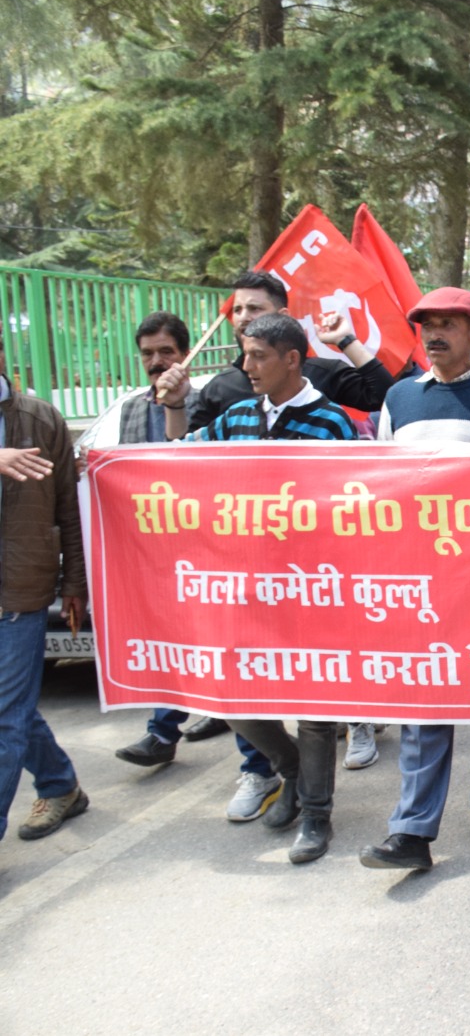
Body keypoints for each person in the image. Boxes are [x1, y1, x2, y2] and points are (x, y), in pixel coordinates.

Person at [155, 313, 358, 864]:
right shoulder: (238, 414)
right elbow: (183, 460)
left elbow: (351, 513)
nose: (246, 367)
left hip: (311, 590)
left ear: (292, 359)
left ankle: (316, 814)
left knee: (316, 710)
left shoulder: (332, 423)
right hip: (245, 590)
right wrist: (175, 405)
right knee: (233, 695)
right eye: (244, 355)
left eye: (258, 355)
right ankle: (288, 772)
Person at [359, 287, 470, 872]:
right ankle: (412, 830)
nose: (435, 335)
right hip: (421, 575)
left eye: (448, 325)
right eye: (427, 326)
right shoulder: (398, 399)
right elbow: (384, 484)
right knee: (424, 693)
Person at [109, 313, 238, 762]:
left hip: (203, 548)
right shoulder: (130, 407)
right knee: (170, 640)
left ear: (185, 354)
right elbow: (123, 472)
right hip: (153, 549)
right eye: (148, 353)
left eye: (166, 352)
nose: (157, 361)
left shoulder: (206, 402)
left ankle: (253, 759)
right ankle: (163, 733)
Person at [0, 342, 90, 844]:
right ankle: (59, 784)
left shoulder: (40, 419)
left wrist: (73, 583)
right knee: (12, 710)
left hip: (19, 593)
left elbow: (67, 511)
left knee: (4, 721)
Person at [189, 271, 395, 432]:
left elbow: (385, 398)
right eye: (237, 310)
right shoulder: (219, 388)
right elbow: (186, 453)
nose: (244, 317)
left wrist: (345, 340)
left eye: (255, 309)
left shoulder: (323, 375)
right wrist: (174, 406)